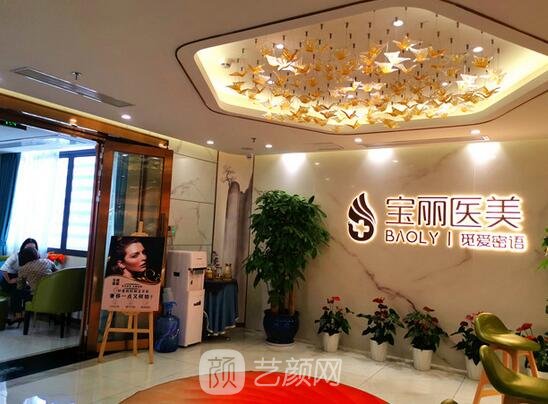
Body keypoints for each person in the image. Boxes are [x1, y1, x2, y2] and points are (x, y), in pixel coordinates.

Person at [7, 246, 53, 326]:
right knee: (27, 290)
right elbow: (56, 272)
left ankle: (18, 316)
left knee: (15, 292)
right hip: (51, 293)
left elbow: (20, 286)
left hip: (36, 296)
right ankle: (24, 314)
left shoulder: (23, 268)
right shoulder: (47, 261)